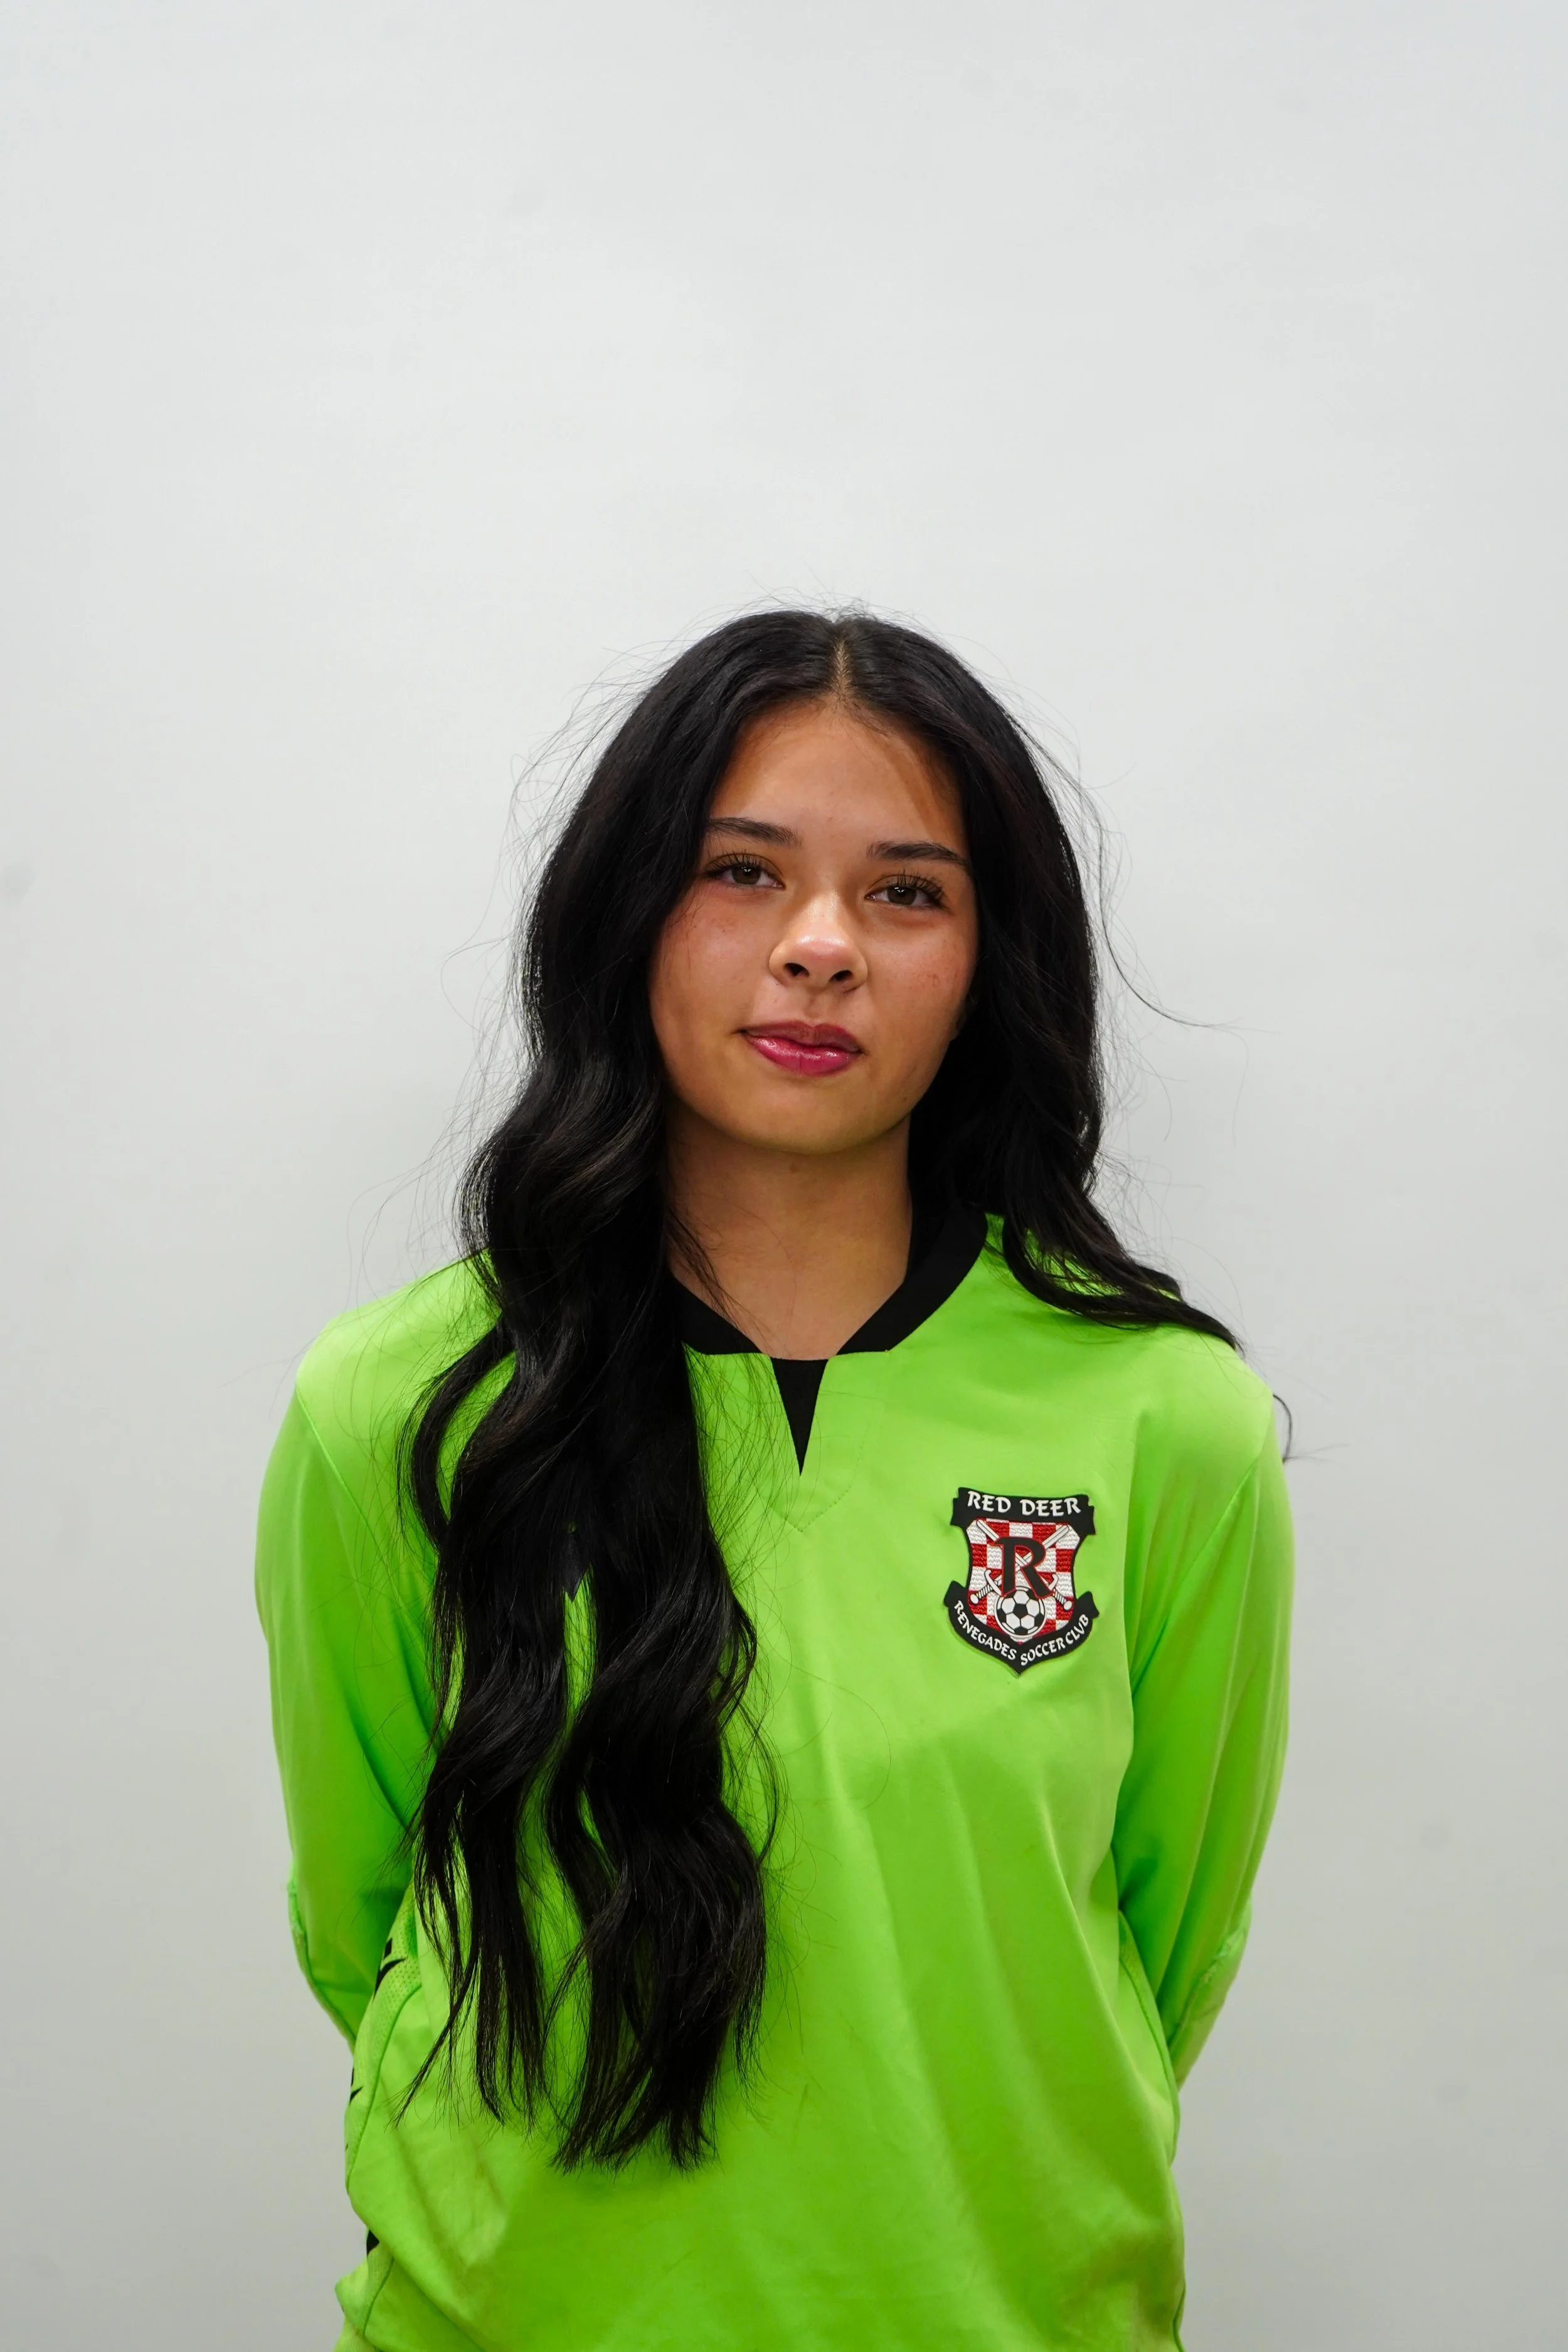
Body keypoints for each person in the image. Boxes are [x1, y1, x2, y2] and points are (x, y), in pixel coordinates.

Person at [257, 610, 1293, 2352]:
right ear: (623, 913)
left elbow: (1152, 1943)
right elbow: (366, 1917)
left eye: (905, 891)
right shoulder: (405, 1407)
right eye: (740, 871)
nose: (818, 946)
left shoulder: (1162, 1421)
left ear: (989, 958)